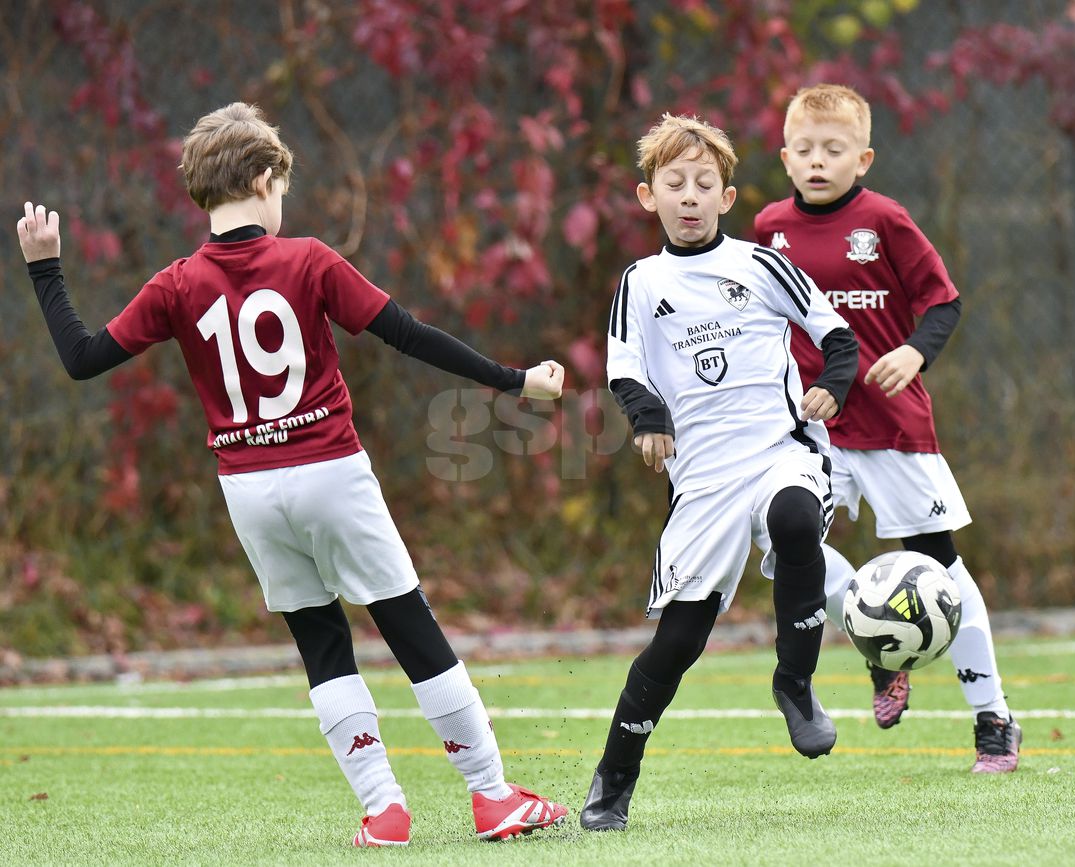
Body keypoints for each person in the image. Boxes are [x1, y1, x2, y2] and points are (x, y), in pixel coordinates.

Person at [16, 102, 569, 845]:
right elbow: (407, 334)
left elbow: (82, 359)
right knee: (408, 624)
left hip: (248, 489)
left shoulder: (177, 283)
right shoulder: (307, 259)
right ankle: (493, 795)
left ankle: (384, 809)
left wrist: (45, 269)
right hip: (330, 468)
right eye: (284, 184)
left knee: (320, 639)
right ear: (267, 177)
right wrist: (515, 379)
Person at [580, 113, 859, 831]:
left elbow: (834, 333)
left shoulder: (761, 264)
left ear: (727, 197)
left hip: (778, 452)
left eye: (705, 184)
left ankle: (795, 683)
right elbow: (623, 368)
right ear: (650, 196)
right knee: (678, 643)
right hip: (702, 482)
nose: (691, 196)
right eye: (675, 184)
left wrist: (833, 380)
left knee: (797, 521)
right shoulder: (641, 282)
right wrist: (649, 420)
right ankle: (612, 781)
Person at [754, 83, 1020, 773]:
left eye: (833, 150)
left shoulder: (886, 220)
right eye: (805, 149)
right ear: (785, 157)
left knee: (941, 564)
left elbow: (943, 301)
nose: (818, 160)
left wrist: (912, 350)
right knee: (786, 549)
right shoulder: (767, 230)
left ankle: (992, 715)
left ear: (863, 158)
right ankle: (880, 637)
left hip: (892, 425)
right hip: (810, 428)